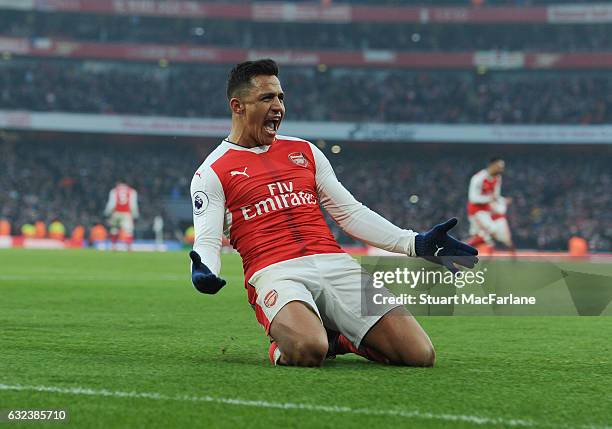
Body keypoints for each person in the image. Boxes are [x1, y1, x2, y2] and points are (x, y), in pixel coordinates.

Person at [189, 59, 478, 367]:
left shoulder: (305, 151)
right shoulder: (211, 171)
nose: (278, 106)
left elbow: (350, 213)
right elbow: (206, 239)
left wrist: (415, 243)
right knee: (307, 349)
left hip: (335, 263)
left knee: (419, 355)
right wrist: (205, 269)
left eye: (280, 97)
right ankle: (301, 342)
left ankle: (340, 339)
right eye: (266, 98)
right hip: (275, 270)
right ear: (238, 106)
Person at [466, 157, 514, 252]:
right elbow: (473, 198)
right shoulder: (478, 178)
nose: (501, 169)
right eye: (499, 167)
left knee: (483, 238)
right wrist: (488, 199)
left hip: (486, 211)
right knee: (491, 230)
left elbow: (496, 196)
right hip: (476, 211)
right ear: (491, 165)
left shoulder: (497, 178)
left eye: (502, 167)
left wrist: (504, 200)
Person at [104, 180, 139, 251]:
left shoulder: (114, 191)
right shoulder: (132, 191)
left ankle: (113, 246)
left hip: (116, 213)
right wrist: (135, 214)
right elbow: (133, 205)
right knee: (129, 230)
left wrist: (107, 212)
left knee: (114, 229)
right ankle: (129, 247)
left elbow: (111, 204)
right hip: (126, 213)